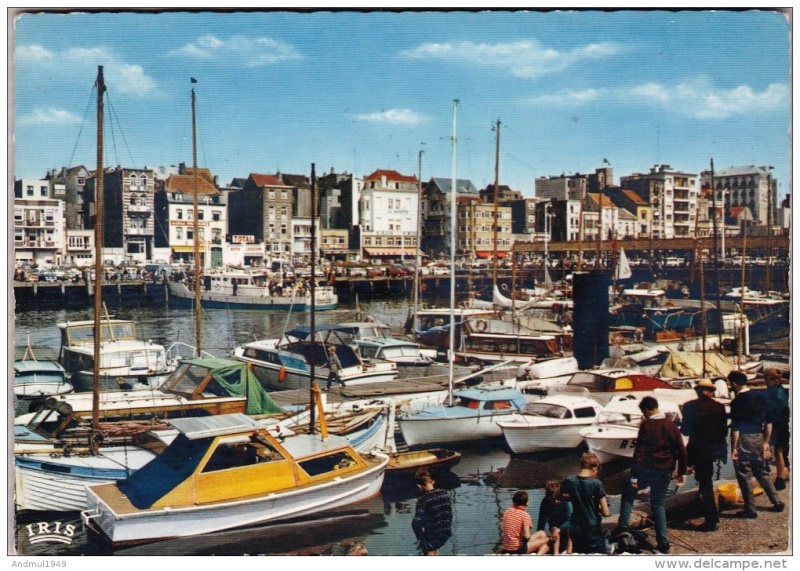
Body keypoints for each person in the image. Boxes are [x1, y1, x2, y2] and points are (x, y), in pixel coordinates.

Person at [618, 396, 686, 554]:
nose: (644, 415)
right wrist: (681, 472)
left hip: (648, 471)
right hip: (666, 471)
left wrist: (634, 476)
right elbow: (682, 451)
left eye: (643, 412)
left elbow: (639, 454)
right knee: (658, 504)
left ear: (648, 410)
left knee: (629, 492)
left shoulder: (647, 425)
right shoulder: (671, 424)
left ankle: (622, 527)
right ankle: (663, 543)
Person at [728, 370, 784, 517]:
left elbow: (735, 429)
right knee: (762, 471)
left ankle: (750, 509)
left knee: (744, 473)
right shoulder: (759, 396)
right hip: (759, 437)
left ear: (734, 384)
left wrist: (733, 448)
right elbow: (769, 422)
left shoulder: (736, 402)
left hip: (744, 439)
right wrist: (766, 442)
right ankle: (776, 501)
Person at [680, 379, 728, 532]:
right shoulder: (719, 407)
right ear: (710, 392)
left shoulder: (688, 407)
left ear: (698, 391)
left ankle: (711, 519)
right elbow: (723, 431)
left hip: (698, 450)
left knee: (704, 483)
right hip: (714, 450)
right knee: (706, 481)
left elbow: (685, 431)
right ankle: (710, 513)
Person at [560, 452, 610, 554]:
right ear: (594, 468)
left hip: (576, 527)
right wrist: (597, 507)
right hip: (592, 529)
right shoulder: (596, 483)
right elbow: (606, 512)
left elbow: (559, 495)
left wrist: (574, 498)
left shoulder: (570, 481)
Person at [411, 471, 452, 556]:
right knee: (435, 548)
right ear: (433, 482)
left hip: (432, 535)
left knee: (430, 549)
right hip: (446, 532)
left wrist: (421, 538)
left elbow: (416, 523)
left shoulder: (423, 500)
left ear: (419, 486)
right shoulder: (445, 493)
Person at [763, 368, 790, 491]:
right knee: (779, 452)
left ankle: (765, 476)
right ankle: (779, 479)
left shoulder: (771, 392)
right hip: (784, 424)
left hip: (774, 424)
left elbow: (768, 410)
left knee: (766, 448)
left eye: (766, 379)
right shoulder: (783, 390)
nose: (765, 382)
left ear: (772, 379)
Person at [500, 490, 549, 554]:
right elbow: (527, 536)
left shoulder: (507, 511)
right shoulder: (525, 515)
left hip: (506, 547)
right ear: (527, 503)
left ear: (513, 502)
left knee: (542, 533)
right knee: (548, 542)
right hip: (517, 549)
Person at [537, 480, 573, 555]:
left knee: (570, 530)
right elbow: (542, 520)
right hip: (555, 525)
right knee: (554, 530)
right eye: (552, 499)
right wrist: (539, 536)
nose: (555, 501)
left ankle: (569, 552)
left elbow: (570, 520)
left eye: (557, 498)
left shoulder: (566, 501)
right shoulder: (545, 501)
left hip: (569, 525)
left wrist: (559, 529)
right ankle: (556, 554)